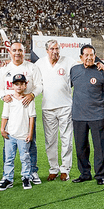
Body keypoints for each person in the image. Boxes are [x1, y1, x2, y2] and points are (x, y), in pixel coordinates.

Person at [0, 42, 43, 185]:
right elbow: (1, 89)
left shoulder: (32, 68)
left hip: (26, 108)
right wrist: (4, 97)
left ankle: (32, 171)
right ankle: (7, 175)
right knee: (8, 144)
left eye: (20, 50)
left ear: (25, 52)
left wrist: (32, 95)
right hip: (11, 110)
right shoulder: (5, 69)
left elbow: (39, 85)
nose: (17, 53)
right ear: (10, 52)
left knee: (31, 141)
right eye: (14, 50)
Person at [35, 39, 76, 181]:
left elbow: (83, 68)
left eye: (57, 48)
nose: (55, 51)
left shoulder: (69, 61)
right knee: (50, 140)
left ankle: (65, 169)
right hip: (48, 108)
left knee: (67, 139)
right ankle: (53, 168)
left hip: (65, 106)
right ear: (47, 50)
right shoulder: (39, 64)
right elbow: (36, 83)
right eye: (52, 49)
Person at [70, 44, 104, 185]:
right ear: (81, 57)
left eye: (91, 55)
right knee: (81, 147)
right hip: (78, 116)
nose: (89, 57)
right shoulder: (74, 70)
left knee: (99, 147)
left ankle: (100, 175)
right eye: (86, 55)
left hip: (97, 115)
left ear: (95, 55)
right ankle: (85, 173)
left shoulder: (101, 71)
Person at [0, 74, 37, 191]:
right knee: (9, 157)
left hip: (23, 135)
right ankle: (8, 178)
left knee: (25, 157)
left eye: (21, 84)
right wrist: (2, 129)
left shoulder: (28, 100)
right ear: (12, 85)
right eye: (16, 84)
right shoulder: (9, 99)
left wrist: (30, 134)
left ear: (25, 85)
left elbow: (32, 118)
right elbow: (5, 116)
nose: (19, 86)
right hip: (11, 135)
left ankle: (26, 177)